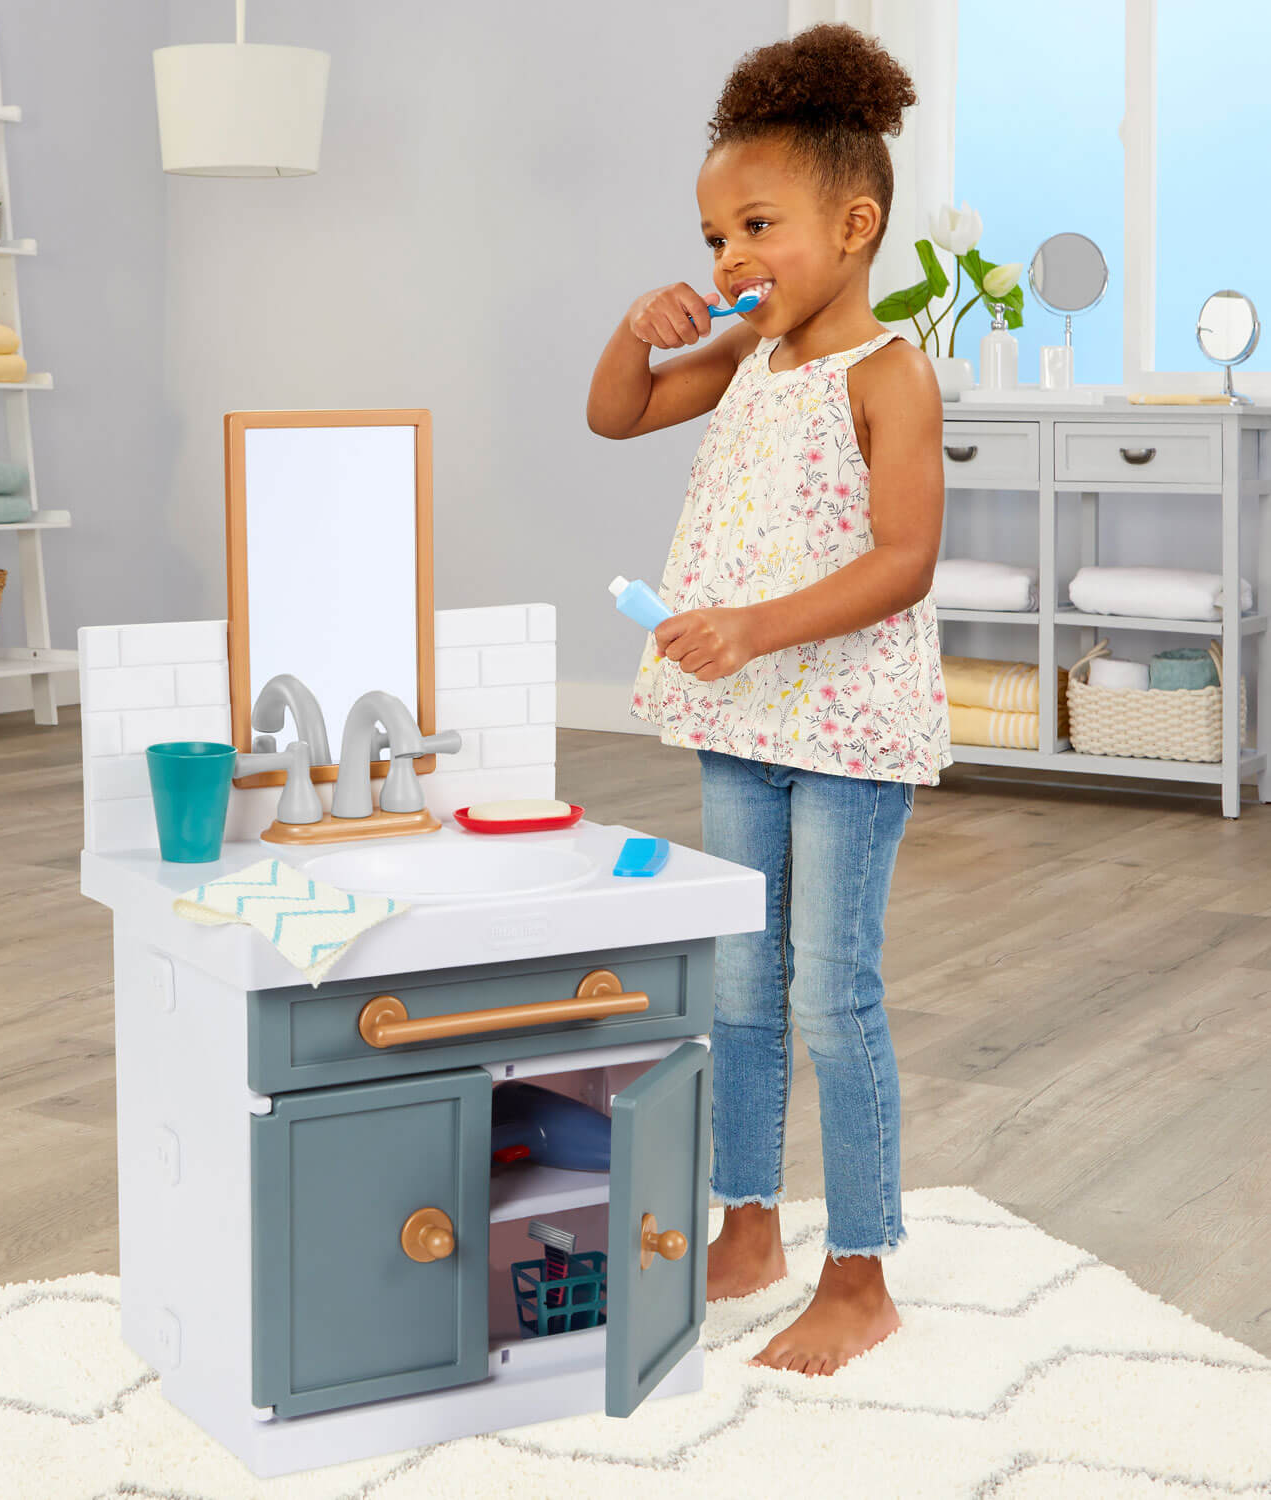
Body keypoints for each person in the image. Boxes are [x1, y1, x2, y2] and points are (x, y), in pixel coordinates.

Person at [586, 22, 951, 1376]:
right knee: (740, 975)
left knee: (830, 992)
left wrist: (753, 626)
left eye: (755, 226)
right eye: (712, 238)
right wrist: (638, 328)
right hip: (742, 723)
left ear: (854, 226)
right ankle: (751, 1224)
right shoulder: (747, 358)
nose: (729, 261)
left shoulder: (888, 373)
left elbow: (904, 562)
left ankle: (860, 1274)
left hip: (845, 729)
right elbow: (614, 413)